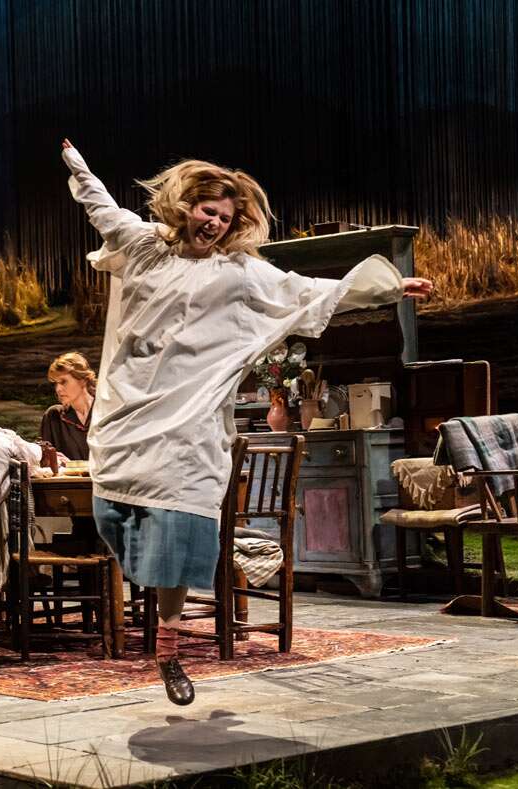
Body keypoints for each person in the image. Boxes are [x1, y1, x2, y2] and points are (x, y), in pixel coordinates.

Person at [61, 139, 433, 705]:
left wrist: (389, 287)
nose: (214, 222)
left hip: (187, 420)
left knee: (180, 524)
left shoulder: (238, 274)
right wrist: (79, 166)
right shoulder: (141, 247)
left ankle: (168, 646)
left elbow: (303, 292)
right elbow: (102, 208)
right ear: (186, 205)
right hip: (127, 412)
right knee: (114, 521)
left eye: (225, 217)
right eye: (207, 210)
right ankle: (152, 600)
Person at [40, 352, 96, 462]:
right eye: (56, 383)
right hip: (68, 479)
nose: (58, 389)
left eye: (63, 382)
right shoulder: (54, 417)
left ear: (82, 380)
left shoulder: (106, 412)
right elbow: (44, 461)